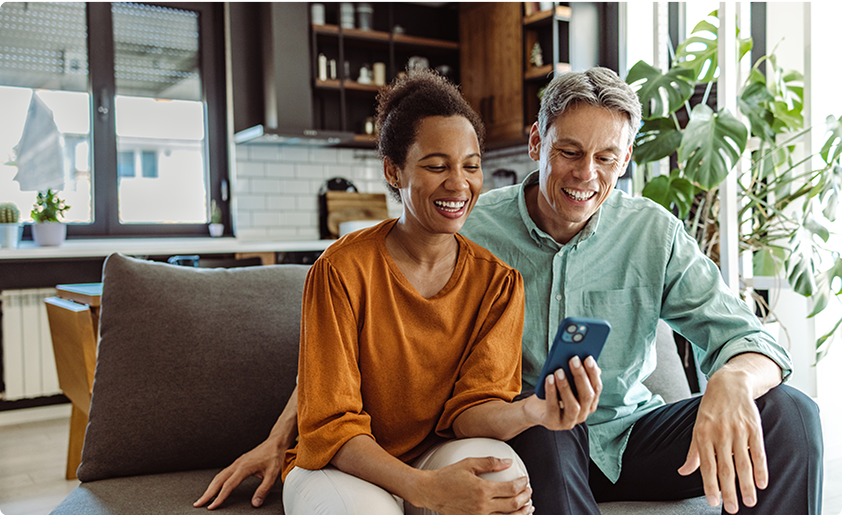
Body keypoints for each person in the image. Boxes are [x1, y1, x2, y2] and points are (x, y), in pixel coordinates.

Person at [196, 69, 603, 515]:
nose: (458, 183)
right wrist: (422, 489)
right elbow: (330, 424)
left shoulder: (499, 282)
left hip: (434, 452)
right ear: (394, 169)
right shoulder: (339, 269)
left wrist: (535, 411)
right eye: (436, 165)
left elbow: (473, 410)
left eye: (470, 165)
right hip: (341, 464)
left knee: (504, 481)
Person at [458, 67, 823, 514]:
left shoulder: (653, 232)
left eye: (606, 158)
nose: (586, 174)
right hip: (537, 440)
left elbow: (750, 339)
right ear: (537, 142)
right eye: (569, 151)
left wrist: (733, 378)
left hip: (630, 435)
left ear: (626, 158)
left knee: (791, 413)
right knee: (548, 425)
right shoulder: (473, 229)